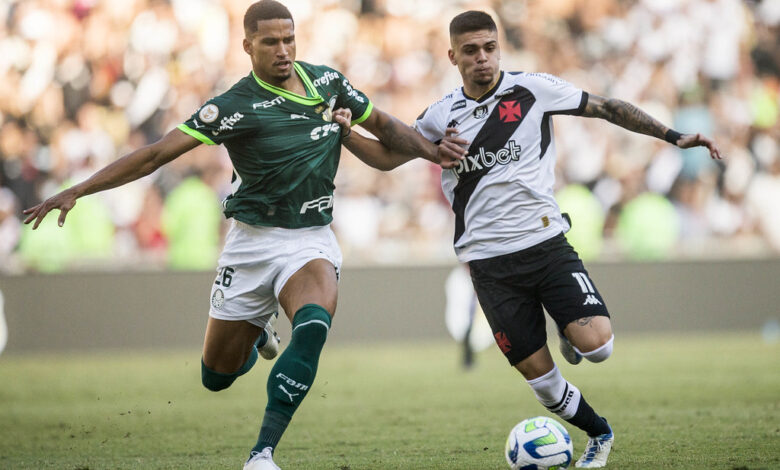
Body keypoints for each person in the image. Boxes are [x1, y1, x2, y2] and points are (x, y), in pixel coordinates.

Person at [22, 2, 460, 469]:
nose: (283, 50)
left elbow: (387, 129)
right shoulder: (232, 106)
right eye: (270, 41)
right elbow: (154, 156)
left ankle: (262, 453)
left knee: (312, 327)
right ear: (247, 45)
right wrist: (79, 189)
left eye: (289, 39)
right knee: (217, 376)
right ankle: (256, 337)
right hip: (252, 244)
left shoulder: (328, 84)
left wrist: (437, 153)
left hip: (309, 238)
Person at [336, 10, 722, 468]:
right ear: (452, 56)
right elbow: (385, 157)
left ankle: (570, 333)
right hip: (488, 264)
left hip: (545, 244)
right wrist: (346, 134)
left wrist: (673, 136)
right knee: (541, 381)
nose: (483, 58)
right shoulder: (440, 117)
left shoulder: (532, 89)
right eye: (471, 51)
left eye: (490, 47)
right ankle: (599, 433)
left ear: (499, 47)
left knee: (599, 347)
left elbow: (608, 108)